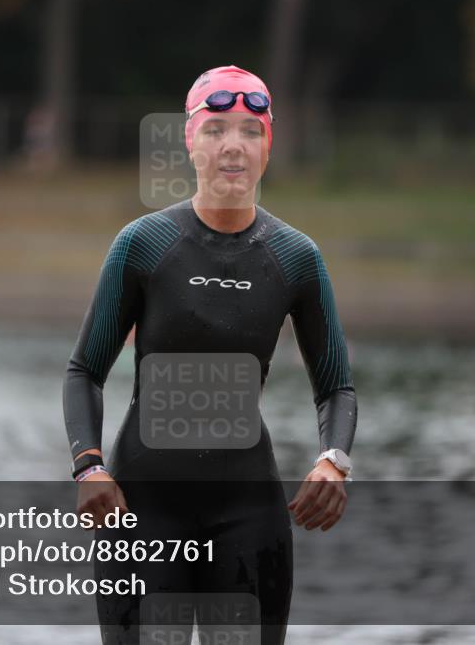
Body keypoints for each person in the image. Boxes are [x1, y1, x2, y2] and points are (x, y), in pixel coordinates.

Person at [63, 65, 357, 645]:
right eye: (216, 129)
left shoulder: (296, 257)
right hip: (143, 511)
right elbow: (83, 372)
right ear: (190, 142)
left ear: (267, 147)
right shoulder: (143, 245)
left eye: (251, 131)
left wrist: (334, 460)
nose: (233, 146)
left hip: (249, 513)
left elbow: (336, 388)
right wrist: (88, 466)